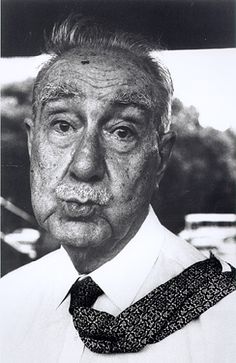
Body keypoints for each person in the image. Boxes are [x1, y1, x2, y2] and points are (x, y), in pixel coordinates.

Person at [0, 16, 235, 363]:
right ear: (33, 143)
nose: (84, 165)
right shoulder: (7, 301)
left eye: (122, 131)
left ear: (161, 157)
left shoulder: (225, 321)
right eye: (63, 125)